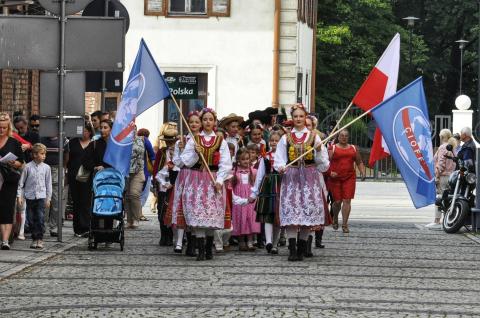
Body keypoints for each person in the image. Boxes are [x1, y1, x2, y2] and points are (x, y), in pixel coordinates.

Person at [274, 104, 329, 262]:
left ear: (306, 118)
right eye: (295, 116)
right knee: (293, 213)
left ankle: (301, 248)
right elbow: (279, 159)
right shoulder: (286, 138)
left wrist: (318, 151)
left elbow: (323, 165)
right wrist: (281, 167)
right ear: (292, 118)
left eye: (301, 116)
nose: (298, 119)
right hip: (291, 178)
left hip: (310, 179)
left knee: (307, 212)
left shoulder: (314, 137)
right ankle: (292, 249)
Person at [180, 108, 232, 261]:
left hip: (213, 180)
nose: (207, 122)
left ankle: (209, 249)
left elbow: (226, 163)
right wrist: (195, 153)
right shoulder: (194, 139)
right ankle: (201, 250)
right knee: (198, 213)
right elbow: (185, 161)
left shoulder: (220, 141)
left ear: (215, 122)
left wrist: (220, 180)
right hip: (196, 180)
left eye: (210, 119)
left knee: (211, 214)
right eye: (205, 119)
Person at [171, 113, 201, 256]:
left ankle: (193, 243)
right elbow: (178, 162)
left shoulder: (202, 141)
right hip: (183, 176)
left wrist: (186, 154)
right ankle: (179, 241)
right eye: (191, 122)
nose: (194, 124)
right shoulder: (180, 141)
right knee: (182, 206)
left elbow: (192, 161)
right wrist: (181, 151)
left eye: (197, 122)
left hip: (196, 177)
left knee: (194, 208)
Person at [328, 129, 366, 234]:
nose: (344, 137)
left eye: (346, 136)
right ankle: (335, 217)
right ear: (338, 137)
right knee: (337, 202)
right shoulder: (333, 148)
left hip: (349, 177)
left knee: (347, 200)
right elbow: (326, 162)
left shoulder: (353, 148)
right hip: (335, 178)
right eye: (342, 135)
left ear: (348, 137)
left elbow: (359, 161)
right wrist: (330, 172)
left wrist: (362, 171)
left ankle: (345, 224)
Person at [250, 131, 282, 254]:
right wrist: (255, 192)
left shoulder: (284, 157)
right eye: (272, 140)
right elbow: (259, 175)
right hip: (268, 187)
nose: (274, 143)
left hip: (280, 185)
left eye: (276, 140)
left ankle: (275, 244)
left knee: (278, 217)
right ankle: (268, 241)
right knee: (268, 215)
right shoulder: (265, 156)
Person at [17, 143, 52, 249]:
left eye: (45, 154)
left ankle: (39, 239)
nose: (44, 156)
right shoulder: (27, 167)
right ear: (35, 155)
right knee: (30, 219)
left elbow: (48, 184)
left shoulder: (47, 168)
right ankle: (34, 238)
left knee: (40, 218)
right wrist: (20, 196)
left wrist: (48, 198)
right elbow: (21, 183)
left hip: (41, 196)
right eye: (42, 154)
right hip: (30, 196)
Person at [82, 119, 113, 238]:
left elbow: (119, 161)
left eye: (105, 127)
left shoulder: (115, 145)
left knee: (110, 203)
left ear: (111, 130)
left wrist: (106, 167)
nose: (102, 130)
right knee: (97, 203)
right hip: (98, 180)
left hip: (111, 179)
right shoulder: (95, 143)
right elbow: (85, 160)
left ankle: (108, 232)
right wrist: (95, 167)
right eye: (101, 127)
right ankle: (95, 231)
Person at [0, 112, 25, 250]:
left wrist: (13, 163)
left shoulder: (14, 142)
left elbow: (21, 162)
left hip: (9, 180)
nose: (1, 130)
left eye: (4, 128)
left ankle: (5, 241)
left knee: (7, 209)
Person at [65, 122, 94, 236]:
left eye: (85, 131)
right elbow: (67, 159)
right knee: (76, 201)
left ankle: (86, 226)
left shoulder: (93, 144)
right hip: (74, 174)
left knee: (86, 201)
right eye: (81, 130)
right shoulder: (72, 143)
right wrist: (66, 173)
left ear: (90, 132)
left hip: (87, 175)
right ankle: (77, 228)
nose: (83, 133)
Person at [39, 133, 68, 237]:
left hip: (57, 168)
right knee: (42, 199)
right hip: (43, 168)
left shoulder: (63, 139)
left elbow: (66, 155)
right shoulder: (41, 138)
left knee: (56, 200)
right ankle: (42, 226)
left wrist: (64, 169)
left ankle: (53, 226)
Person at [231, 148, 259, 251]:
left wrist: (253, 196)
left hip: (250, 199)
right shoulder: (234, 172)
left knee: (250, 219)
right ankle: (241, 241)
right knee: (240, 218)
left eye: (247, 159)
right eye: (243, 159)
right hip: (239, 199)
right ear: (238, 160)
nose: (246, 161)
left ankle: (250, 242)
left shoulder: (253, 172)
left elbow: (256, 185)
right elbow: (231, 187)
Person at [154, 124, 178, 246]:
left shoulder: (180, 153)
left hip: (176, 185)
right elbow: (156, 169)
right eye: (168, 142)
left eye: (172, 141)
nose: (170, 144)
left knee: (174, 211)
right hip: (163, 185)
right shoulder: (162, 152)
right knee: (162, 210)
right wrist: (156, 184)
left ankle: (175, 236)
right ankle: (164, 236)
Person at [428, 129, 456, 229]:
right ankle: (445, 219)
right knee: (447, 198)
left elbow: (440, 163)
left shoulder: (442, 147)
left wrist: (437, 175)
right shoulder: (452, 147)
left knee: (439, 198)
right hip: (451, 176)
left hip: (443, 176)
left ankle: (437, 220)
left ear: (441, 137)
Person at [125, 128, 146, 229]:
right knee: (127, 197)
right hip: (125, 171)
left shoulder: (139, 140)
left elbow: (137, 151)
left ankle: (136, 219)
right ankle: (129, 220)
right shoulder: (122, 140)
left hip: (137, 171)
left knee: (134, 194)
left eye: (133, 130)